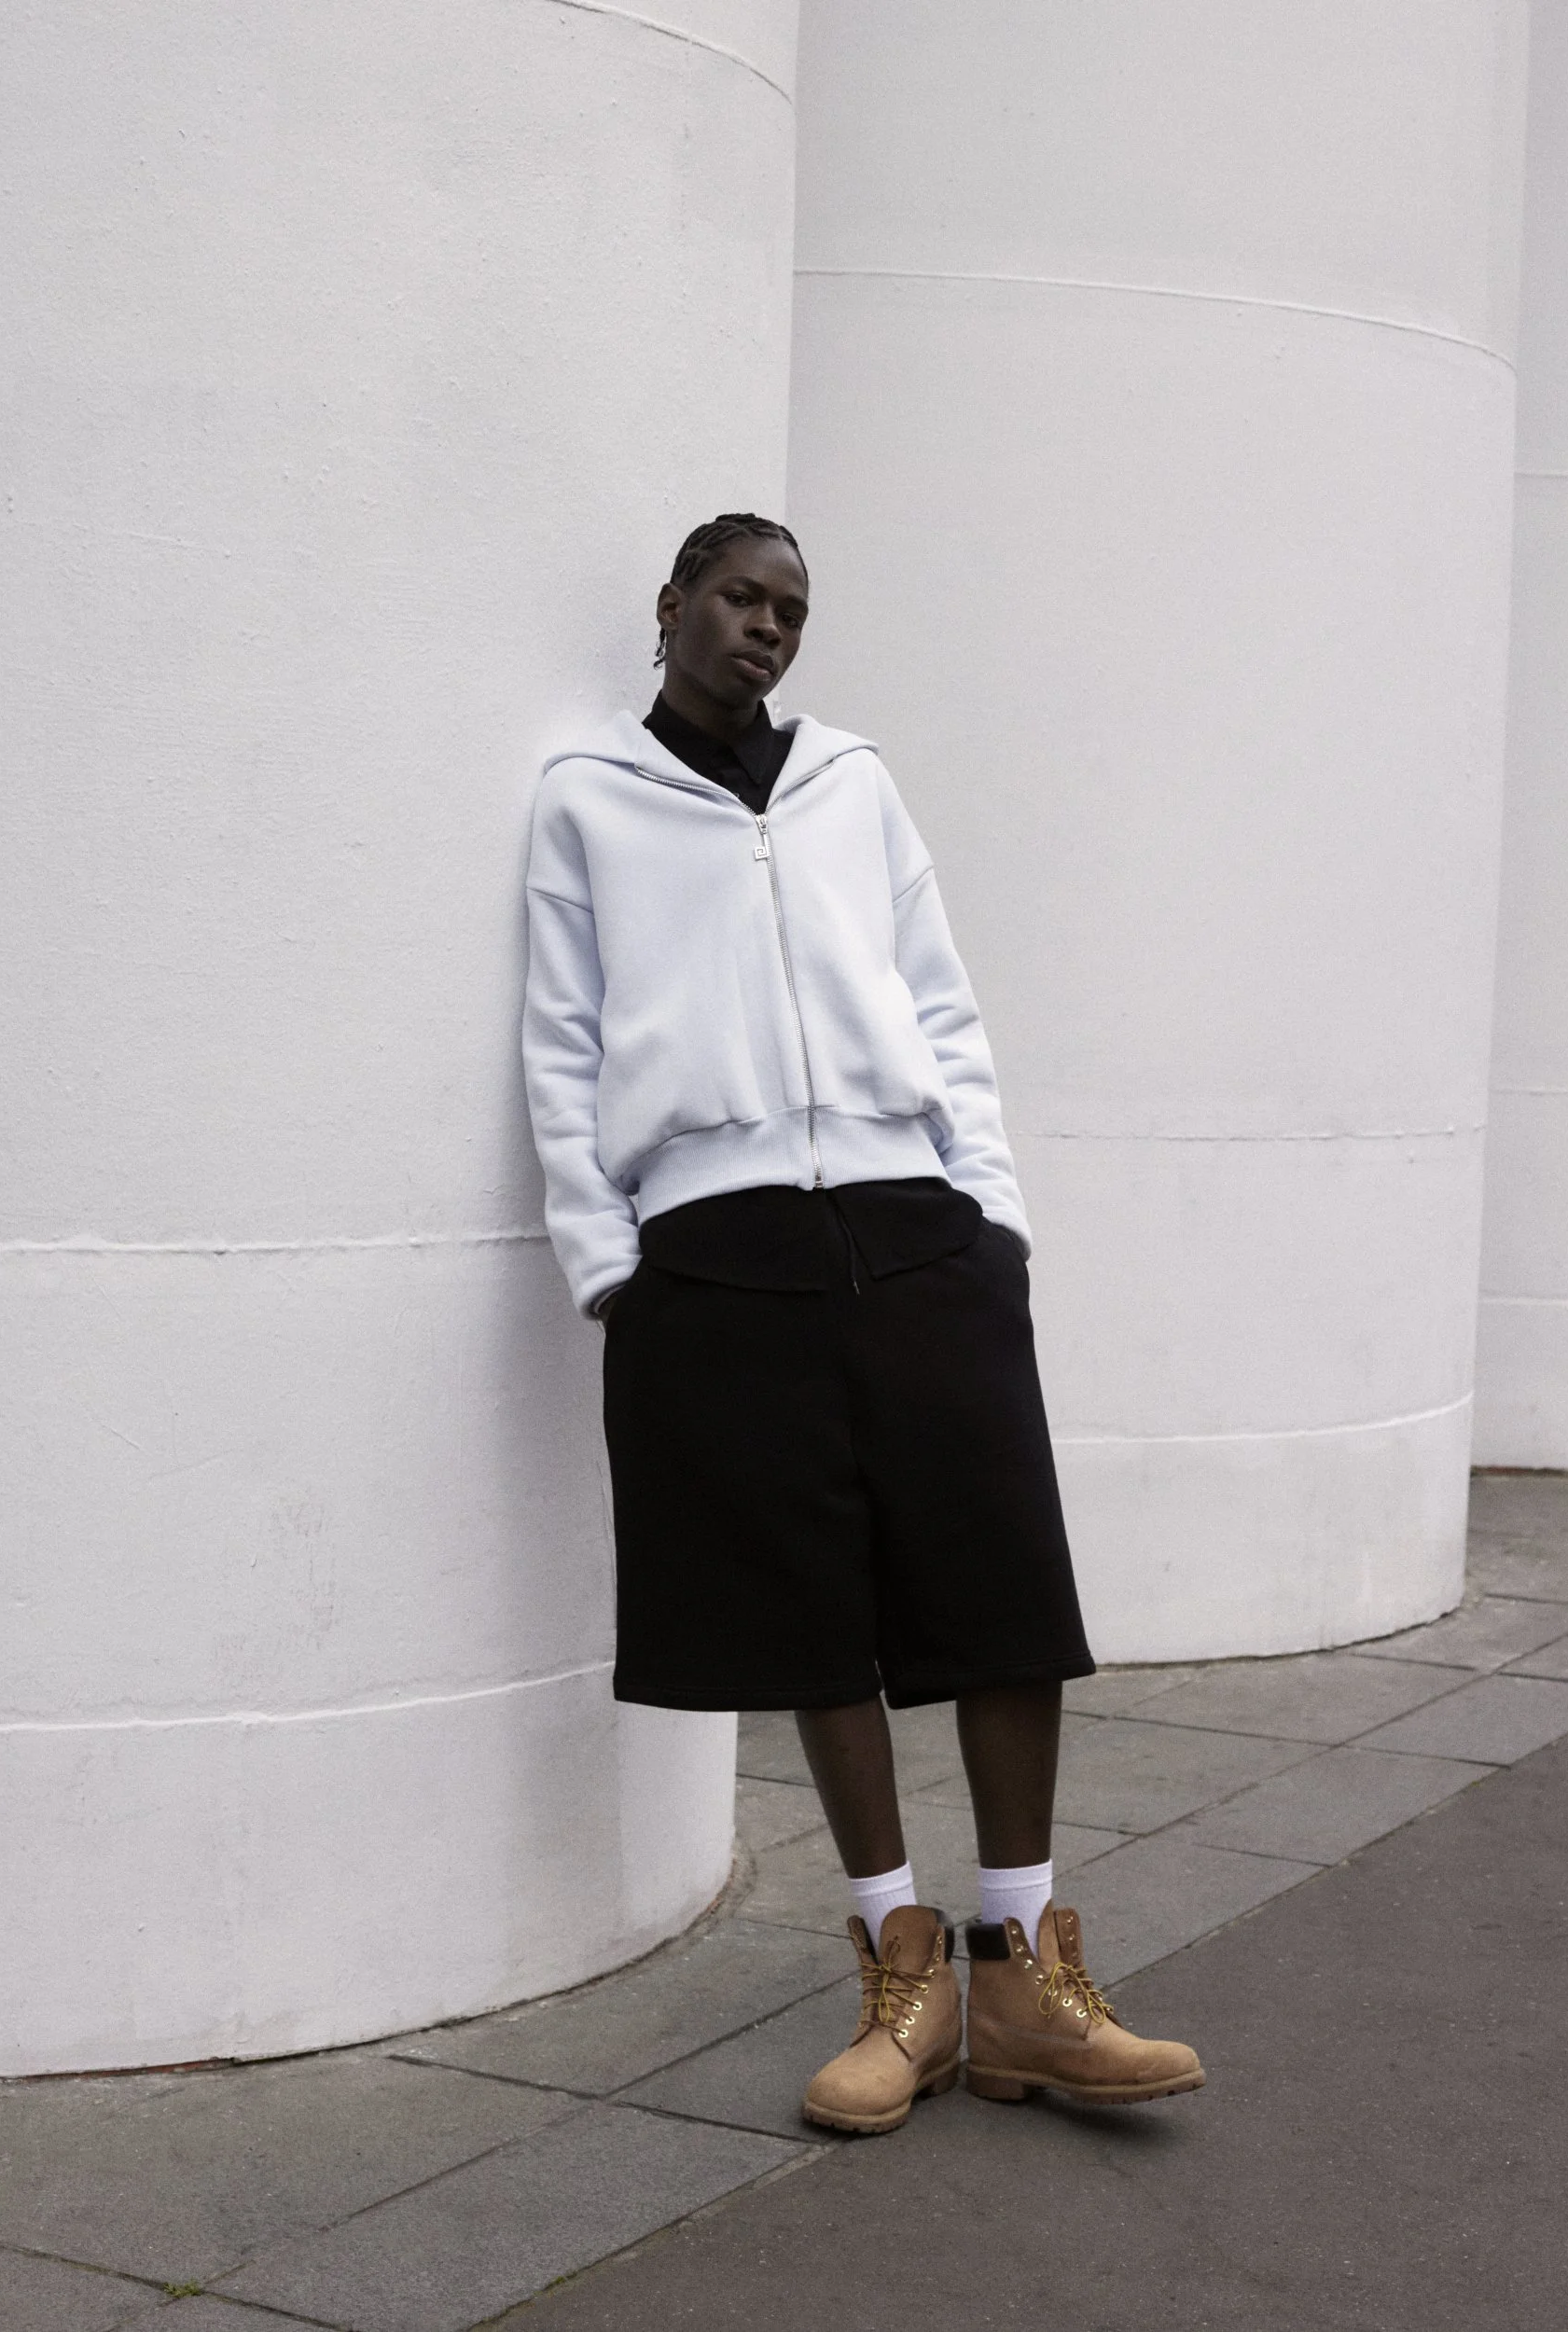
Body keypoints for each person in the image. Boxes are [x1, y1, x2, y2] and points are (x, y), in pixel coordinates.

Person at [522, 513, 1202, 2133]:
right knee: (809, 1607)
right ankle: (904, 1978)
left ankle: (1026, 1976)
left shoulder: (853, 783)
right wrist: (609, 1266)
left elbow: (941, 1002)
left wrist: (995, 1219)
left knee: (1002, 1575)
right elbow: (562, 1039)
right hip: (718, 1242)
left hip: (914, 1221)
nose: (767, 627)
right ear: (675, 605)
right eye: (741, 597)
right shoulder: (588, 800)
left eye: (792, 609)